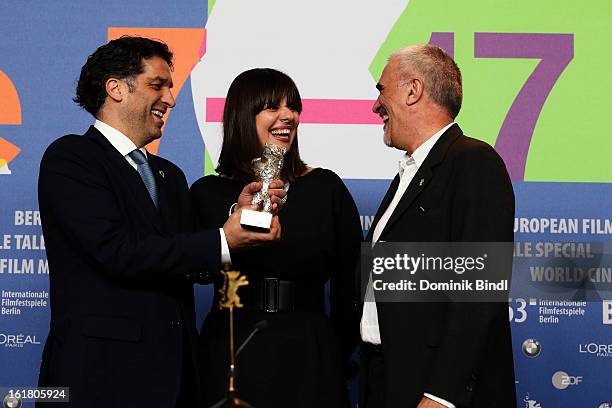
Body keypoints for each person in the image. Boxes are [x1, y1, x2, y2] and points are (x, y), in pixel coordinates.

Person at [37, 37, 284, 408]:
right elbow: (117, 252)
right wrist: (222, 240)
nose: (170, 98)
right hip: (100, 378)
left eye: (170, 87)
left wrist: (242, 219)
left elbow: (185, 260)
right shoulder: (72, 159)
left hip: (176, 377)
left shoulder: (169, 175)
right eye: (158, 85)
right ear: (115, 88)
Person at [190, 68, 362, 408]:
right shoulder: (206, 194)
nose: (288, 115)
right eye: (272, 106)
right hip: (232, 347)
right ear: (243, 115)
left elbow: (354, 282)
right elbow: (192, 270)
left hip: (311, 351)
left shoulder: (325, 188)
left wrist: (334, 350)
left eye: (293, 106)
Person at [359, 45, 517, 408]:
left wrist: (442, 395)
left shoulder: (474, 162)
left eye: (382, 90)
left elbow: (480, 292)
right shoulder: (410, 174)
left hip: (432, 390)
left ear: (413, 90)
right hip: (389, 378)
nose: (375, 105)